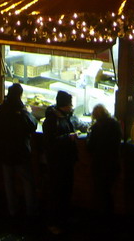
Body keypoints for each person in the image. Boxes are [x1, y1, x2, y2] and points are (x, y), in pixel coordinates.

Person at [0, 83, 39, 223]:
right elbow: (33, 125)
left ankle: (12, 210)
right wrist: (27, 111)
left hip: (4, 152)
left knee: (8, 182)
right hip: (20, 153)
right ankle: (31, 211)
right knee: (28, 182)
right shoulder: (21, 112)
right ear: (20, 95)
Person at [42, 90, 85, 234]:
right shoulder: (51, 120)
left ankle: (64, 218)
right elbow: (51, 142)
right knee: (56, 193)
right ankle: (53, 223)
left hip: (67, 161)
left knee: (66, 191)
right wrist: (69, 137)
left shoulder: (66, 116)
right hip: (57, 162)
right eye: (70, 104)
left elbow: (77, 123)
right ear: (64, 105)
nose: (72, 106)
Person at [86, 103, 122, 217]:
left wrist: (88, 136)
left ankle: (101, 218)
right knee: (109, 192)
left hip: (99, 165)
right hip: (113, 164)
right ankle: (109, 216)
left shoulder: (96, 128)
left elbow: (90, 147)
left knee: (100, 192)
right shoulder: (115, 124)